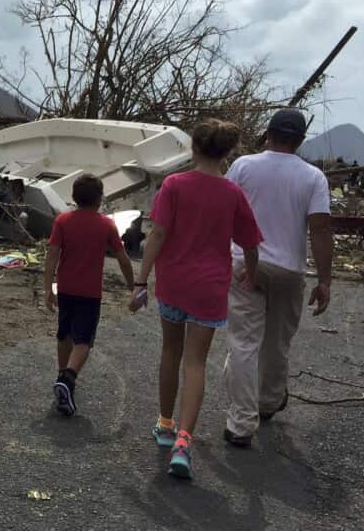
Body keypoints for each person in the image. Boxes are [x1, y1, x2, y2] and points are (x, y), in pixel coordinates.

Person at [133, 119, 262, 479]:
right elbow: (251, 243)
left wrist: (141, 280)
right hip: (210, 288)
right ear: (227, 153)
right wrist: (251, 272)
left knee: (170, 352)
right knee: (196, 363)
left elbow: (158, 234)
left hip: (174, 282)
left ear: (193, 148)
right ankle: (184, 442)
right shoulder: (232, 193)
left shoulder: (174, 185)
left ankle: (164, 424)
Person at [220, 108, 333, 448]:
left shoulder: (243, 167)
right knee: (276, 342)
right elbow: (320, 230)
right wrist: (324, 280)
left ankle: (240, 424)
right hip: (288, 270)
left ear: (268, 134)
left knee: (243, 342)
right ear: (300, 140)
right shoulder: (313, 177)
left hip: (243, 263)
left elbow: (221, 211)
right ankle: (268, 402)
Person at [44, 173, 135, 417]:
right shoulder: (106, 225)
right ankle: (69, 379)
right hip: (89, 292)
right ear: (99, 199)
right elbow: (123, 258)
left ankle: (62, 375)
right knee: (83, 341)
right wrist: (132, 286)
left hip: (65, 289)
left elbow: (52, 256)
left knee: (64, 334)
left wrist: (47, 289)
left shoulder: (62, 221)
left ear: (74, 197)